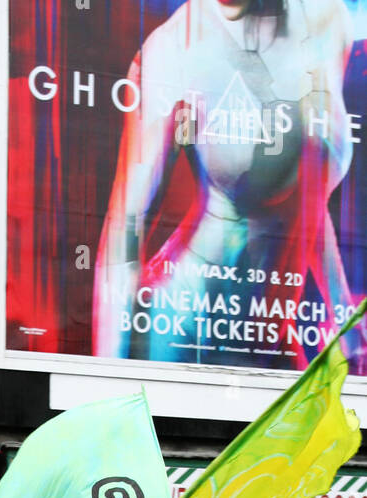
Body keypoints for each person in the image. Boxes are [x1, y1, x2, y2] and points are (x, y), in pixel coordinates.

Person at [94, 0, 366, 371]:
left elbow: (307, 195)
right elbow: (125, 227)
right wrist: (107, 382)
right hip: (185, 330)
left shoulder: (328, 19)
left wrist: (344, 320)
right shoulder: (176, 49)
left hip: (273, 334)